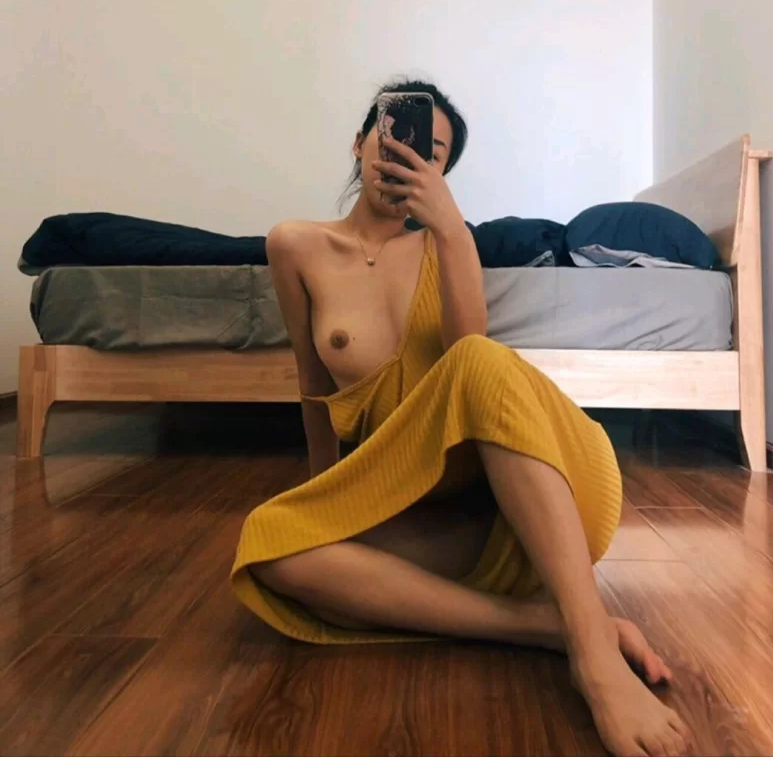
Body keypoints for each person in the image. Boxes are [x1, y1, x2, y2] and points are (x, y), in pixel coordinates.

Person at [231, 79, 692, 757]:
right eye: (393, 134)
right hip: (423, 504)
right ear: (360, 143)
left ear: (442, 173)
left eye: (433, 153)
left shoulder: (449, 242)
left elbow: (468, 367)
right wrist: (322, 500)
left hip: (526, 484)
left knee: (476, 358)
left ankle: (594, 659)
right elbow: (313, 384)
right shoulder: (294, 246)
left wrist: (449, 227)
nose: (408, 155)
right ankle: (554, 627)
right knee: (270, 544)